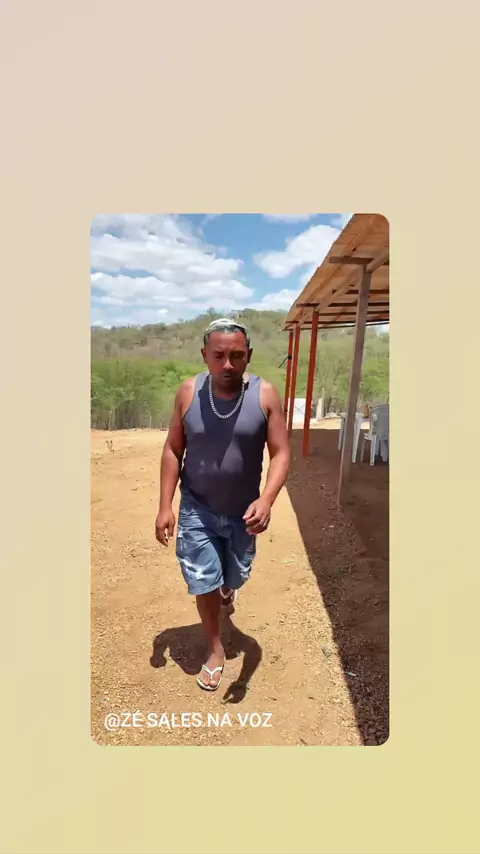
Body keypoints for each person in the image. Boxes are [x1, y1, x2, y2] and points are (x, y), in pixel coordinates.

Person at [155, 317, 291, 691]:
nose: (227, 364)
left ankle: (228, 587)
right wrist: (165, 505)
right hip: (197, 507)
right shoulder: (188, 392)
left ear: (249, 355)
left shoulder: (265, 395)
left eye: (236, 356)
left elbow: (281, 453)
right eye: (218, 356)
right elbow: (172, 449)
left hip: (243, 513)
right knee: (203, 580)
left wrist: (266, 499)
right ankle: (215, 649)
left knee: (234, 575)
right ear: (205, 355)